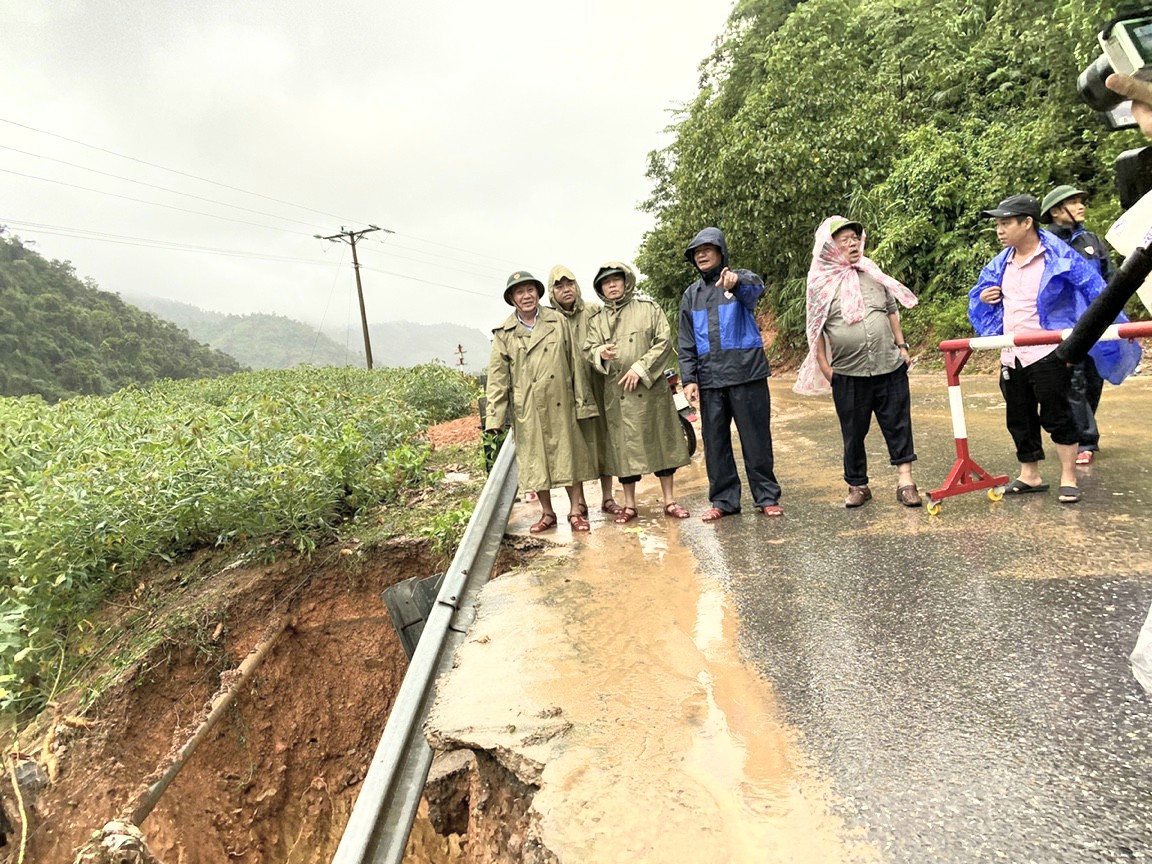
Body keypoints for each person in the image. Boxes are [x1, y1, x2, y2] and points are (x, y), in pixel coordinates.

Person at [968, 195, 1140, 504]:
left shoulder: (1058, 258)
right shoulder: (1002, 262)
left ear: (1027, 223)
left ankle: (1068, 477)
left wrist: (1105, 330)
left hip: (1048, 350)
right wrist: (985, 298)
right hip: (1012, 352)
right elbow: (980, 296)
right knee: (1018, 417)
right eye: (997, 224)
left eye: (1005, 223)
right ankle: (1029, 474)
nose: (999, 230)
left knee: (1058, 414)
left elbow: (1095, 290)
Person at [795, 217, 922, 507]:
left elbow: (891, 310)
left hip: (889, 365)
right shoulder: (819, 282)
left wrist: (902, 348)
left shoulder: (871, 271)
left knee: (898, 424)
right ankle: (857, 485)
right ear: (829, 246)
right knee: (853, 432)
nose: (852, 243)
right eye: (844, 240)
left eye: (855, 238)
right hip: (848, 373)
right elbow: (815, 330)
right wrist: (827, 369)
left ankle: (906, 482)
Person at [678, 227, 782, 520]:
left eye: (707, 249)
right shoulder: (690, 296)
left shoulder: (740, 280)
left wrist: (735, 284)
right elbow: (686, 343)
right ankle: (724, 500)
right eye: (696, 252)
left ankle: (766, 496)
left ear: (721, 252)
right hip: (710, 381)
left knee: (756, 439)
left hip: (747, 375)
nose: (701, 254)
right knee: (715, 444)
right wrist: (689, 379)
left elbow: (753, 292)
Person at [486, 270, 598, 532]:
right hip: (528, 405)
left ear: (538, 293)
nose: (526, 296)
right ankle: (547, 513)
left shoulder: (557, 321)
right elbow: (497, 378)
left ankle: (575, 511)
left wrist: (583, 402)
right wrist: (495, 417)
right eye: (519, 292)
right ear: (512, 298)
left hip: (561, 399)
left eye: (530, 290)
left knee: (569, 454)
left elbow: (575, 363)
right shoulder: (505, 333)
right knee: (535, 459)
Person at [584, 262, 690, 523]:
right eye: (606, 282)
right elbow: (588, 349)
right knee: (624, 450)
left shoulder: (648, 308)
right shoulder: (597, 321)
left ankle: (670, 501)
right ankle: (629, 505)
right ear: (600, 288)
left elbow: (664, 341)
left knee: (662, 443)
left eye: (616, 280)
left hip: (650, 391)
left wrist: (641, 368)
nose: (612, 285)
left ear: (626, 281)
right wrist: (600, 353)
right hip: (617, 395)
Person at [1041, 185, 1113, 465]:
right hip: (1064, 326)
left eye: (1081, 201)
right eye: (1073, 202)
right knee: (1074, 382)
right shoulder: (1045, 243)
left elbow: (1109, 277)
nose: (1081, 206)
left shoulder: (1091, 239)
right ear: (1057, 211)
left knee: (1094, 380)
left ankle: (1083, 432)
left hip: (1097, 323)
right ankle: (1085, 440)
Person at [546, 265, 621, 516]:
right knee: (572, 447)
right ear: (551, 291)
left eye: (570, 284)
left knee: (603, 440)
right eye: (559, 286)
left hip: (596, 384)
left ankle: (608, 497)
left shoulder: (593, 311)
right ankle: (577, 504)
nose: (566, 290)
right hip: (565, 393)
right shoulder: (549, 320)